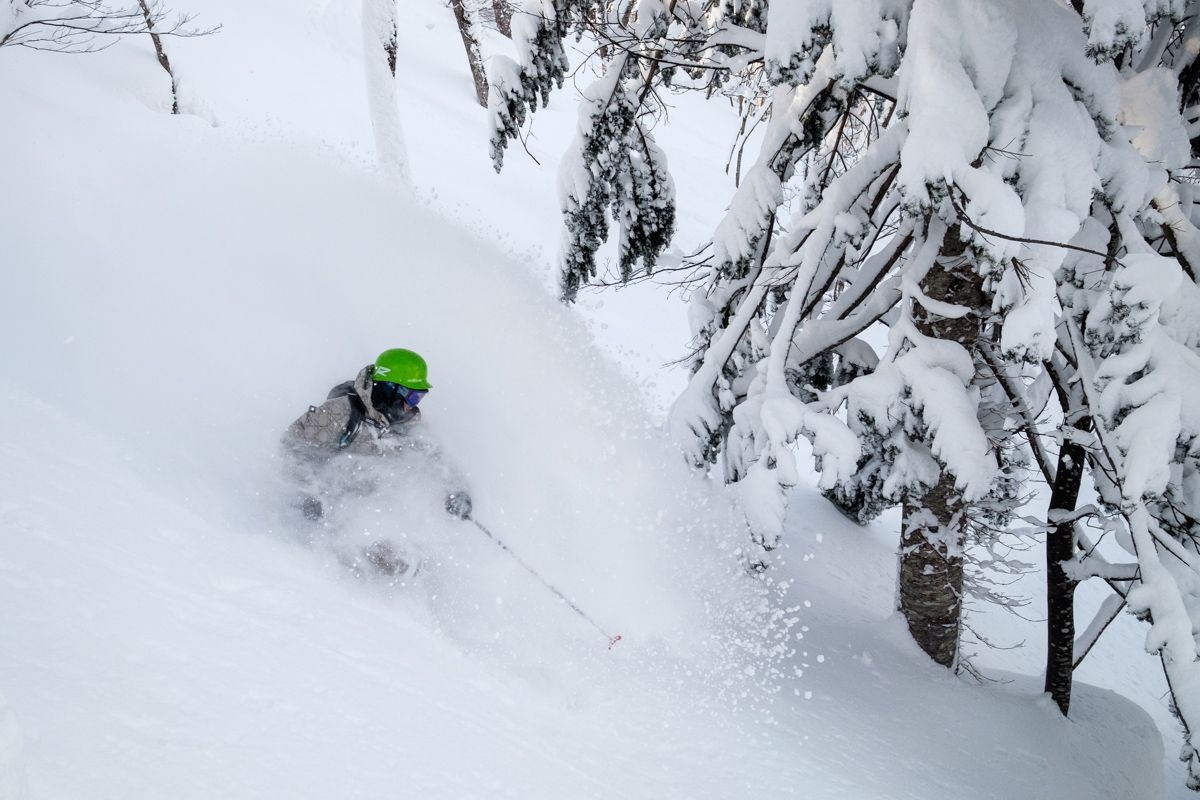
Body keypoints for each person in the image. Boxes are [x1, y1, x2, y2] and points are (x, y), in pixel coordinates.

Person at [282, 348, 472, 575]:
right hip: (332, 511)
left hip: (374, 508)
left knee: (417, 565)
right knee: (390, 562)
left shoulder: (408, 427)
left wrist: (456, 491)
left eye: (419, 397)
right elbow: (292, 448)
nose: (412, 405)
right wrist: (310, 493)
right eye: (412, 396)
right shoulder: (340, 413)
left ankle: (395, 602)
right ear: (390, 389)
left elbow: (436, 459)